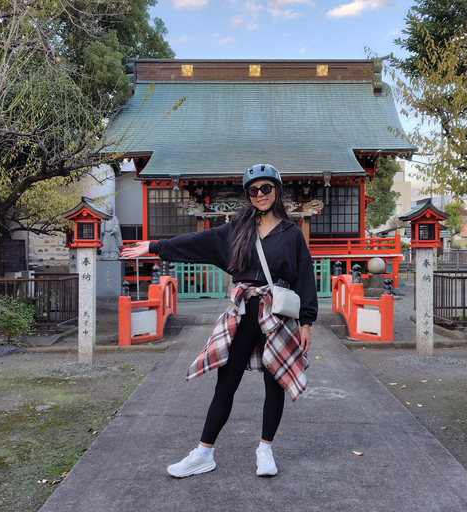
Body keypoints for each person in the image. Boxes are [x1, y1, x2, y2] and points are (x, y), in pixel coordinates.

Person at [120, 164, 318, 478]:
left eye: (266, 188)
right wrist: (155, 247)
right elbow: (198, 241)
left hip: (277, 315)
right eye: (253, 190)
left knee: (274, 382)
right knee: (226, 383)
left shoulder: (291, 234)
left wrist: (306, 323)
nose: (260, 195)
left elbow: (305, 278)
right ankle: (203, 453)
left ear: (277, 190)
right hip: (242, 312)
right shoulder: (238, 227)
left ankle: (265, 450)